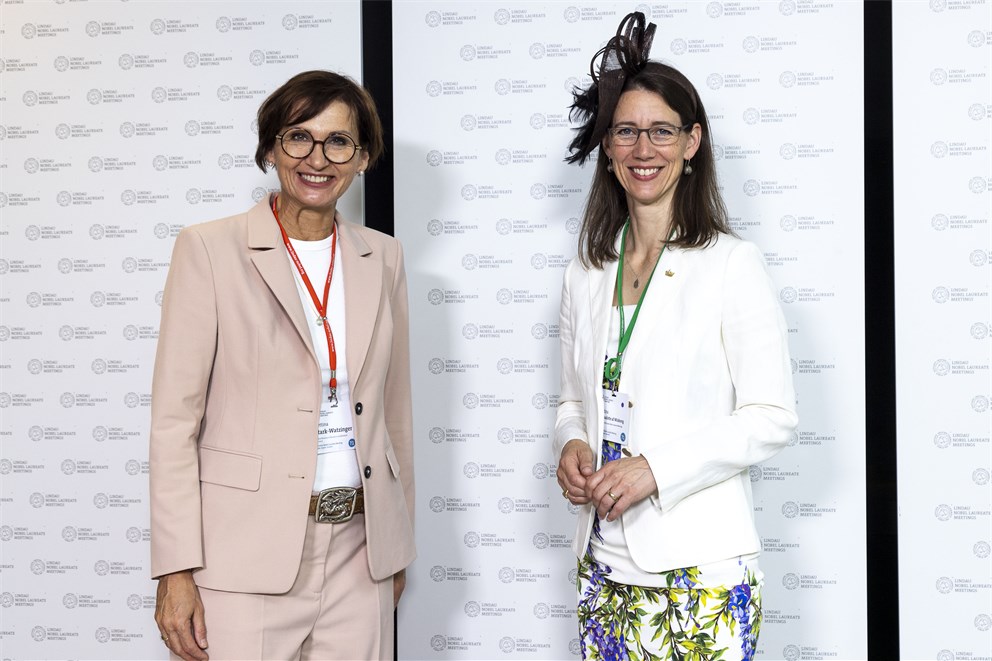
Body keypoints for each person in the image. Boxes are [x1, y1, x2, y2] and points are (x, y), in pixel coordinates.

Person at [554, 13, 797, 661]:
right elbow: (572, 400)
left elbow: (771, 417)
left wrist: (655, 470)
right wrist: (571, 440)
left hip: (702, 576)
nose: (642, 149)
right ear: (606, 145)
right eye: (626, 131)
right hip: (602, 566)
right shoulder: (586, 269)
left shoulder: (731, 263)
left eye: (661, 131)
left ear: (691, 143)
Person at [149, 70, 414, 661]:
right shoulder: (209, 250)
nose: (317, 158)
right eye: (298, 137)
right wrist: (175, 570)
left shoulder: (384, 256)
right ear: (271, 148)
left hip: (359, 551)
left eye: (338, 141)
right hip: (242, 555)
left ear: (363, 157)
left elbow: (394, 413)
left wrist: (396, 545)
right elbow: (174, 423)